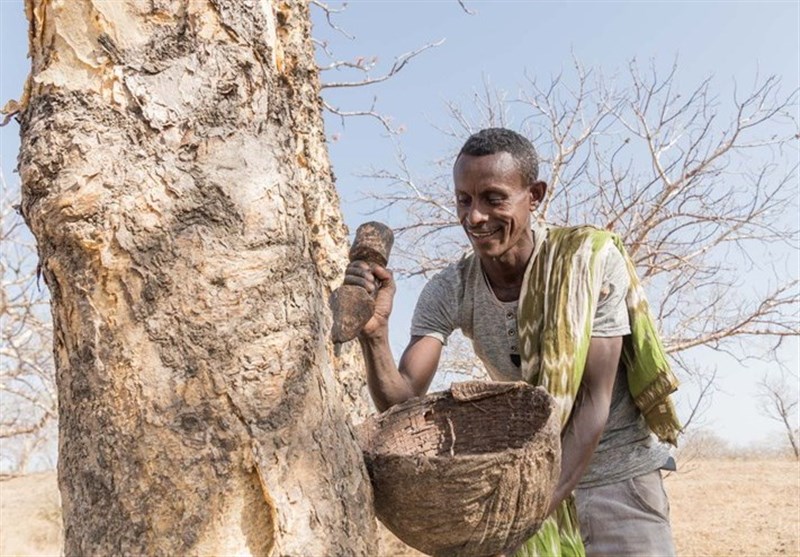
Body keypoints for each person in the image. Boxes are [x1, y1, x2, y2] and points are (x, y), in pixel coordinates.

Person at [346, 128, 681, 556]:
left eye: (493, 198)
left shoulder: (588, 262)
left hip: (618, 483)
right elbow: (404, 405)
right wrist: (375, 336)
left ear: (534, 195)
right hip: (518, 490)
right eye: (463, 200)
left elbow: (593, 403)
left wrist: (527, 509)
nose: (475, 217)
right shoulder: (451, 288)